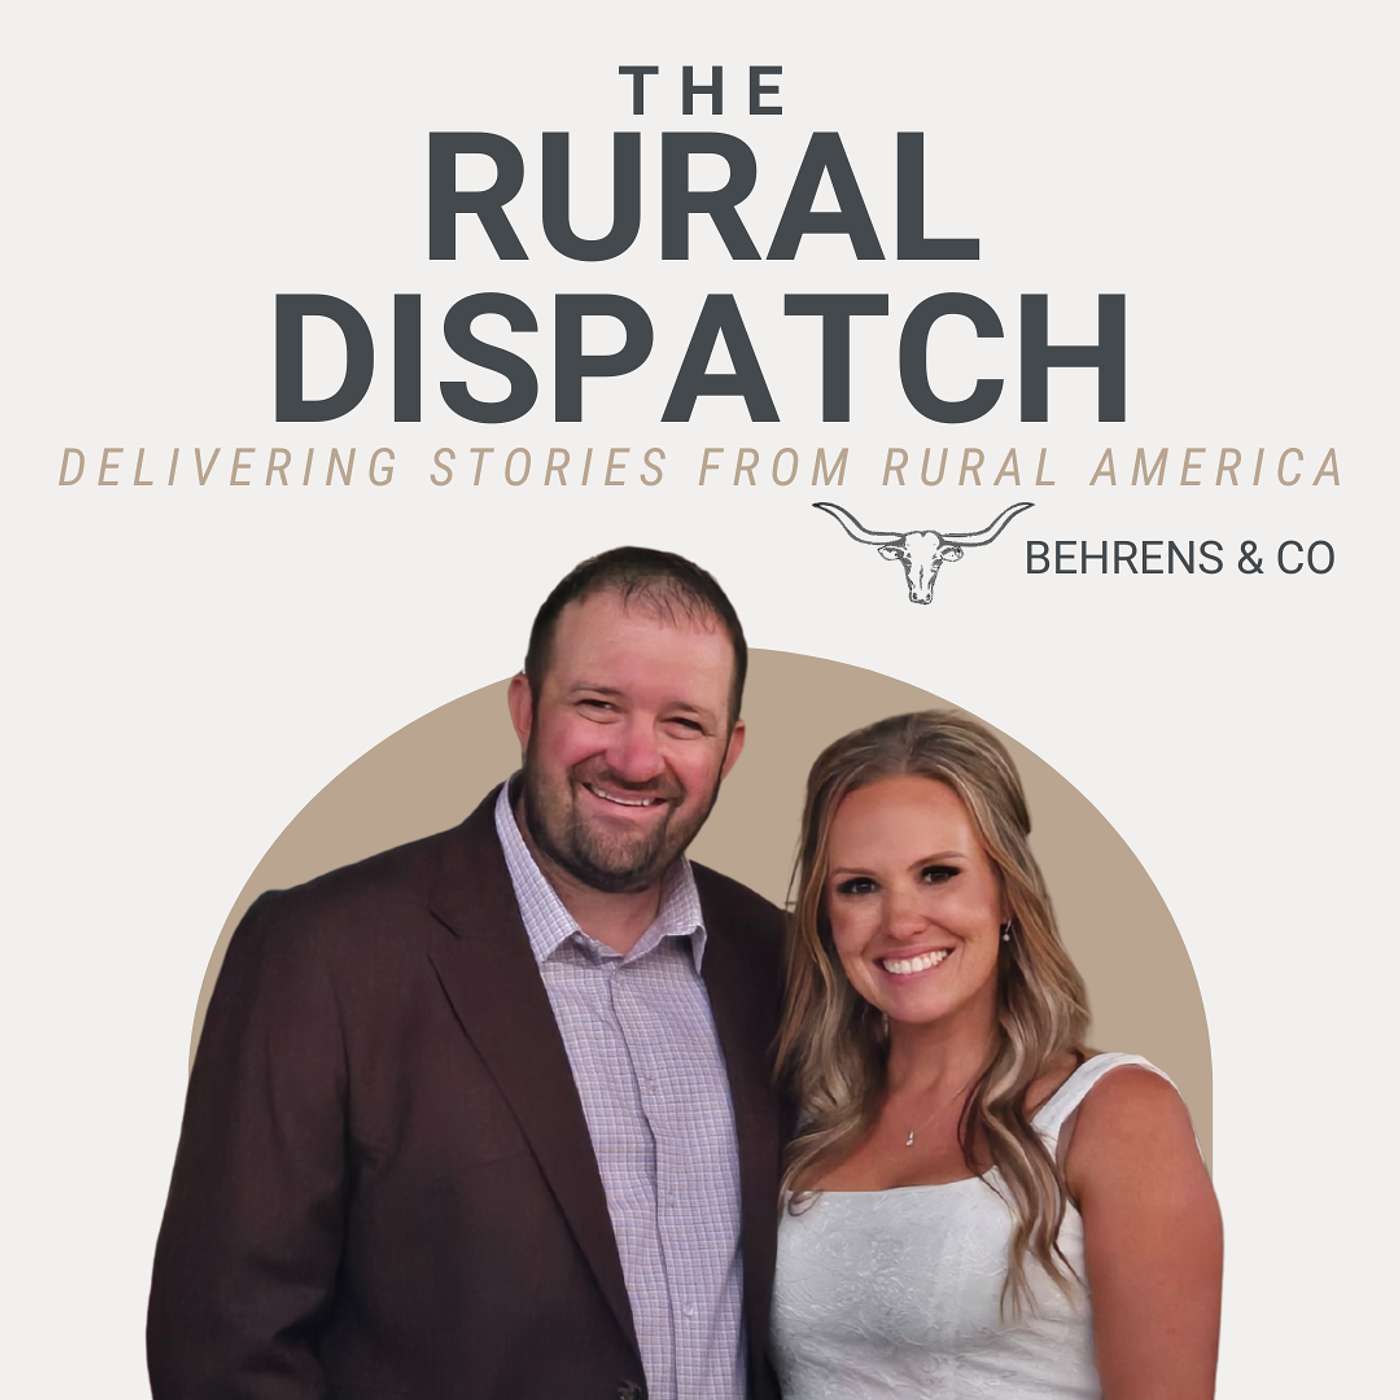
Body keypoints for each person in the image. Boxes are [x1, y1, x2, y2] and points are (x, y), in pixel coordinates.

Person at [147, 548, 786, 1400]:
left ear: (730, 749)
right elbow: (225, 1348)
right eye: (598, 705)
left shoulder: (783, 961)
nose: (637, 759)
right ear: (524, 707)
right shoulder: (323, 955)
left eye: (684, 723)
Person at [770, 711, 1222, 1399]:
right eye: (859, 886)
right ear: (826, 918)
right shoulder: (801, 1125)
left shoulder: (1115, 1116)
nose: (900, 921)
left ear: (1006, 891)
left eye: (938, 873)